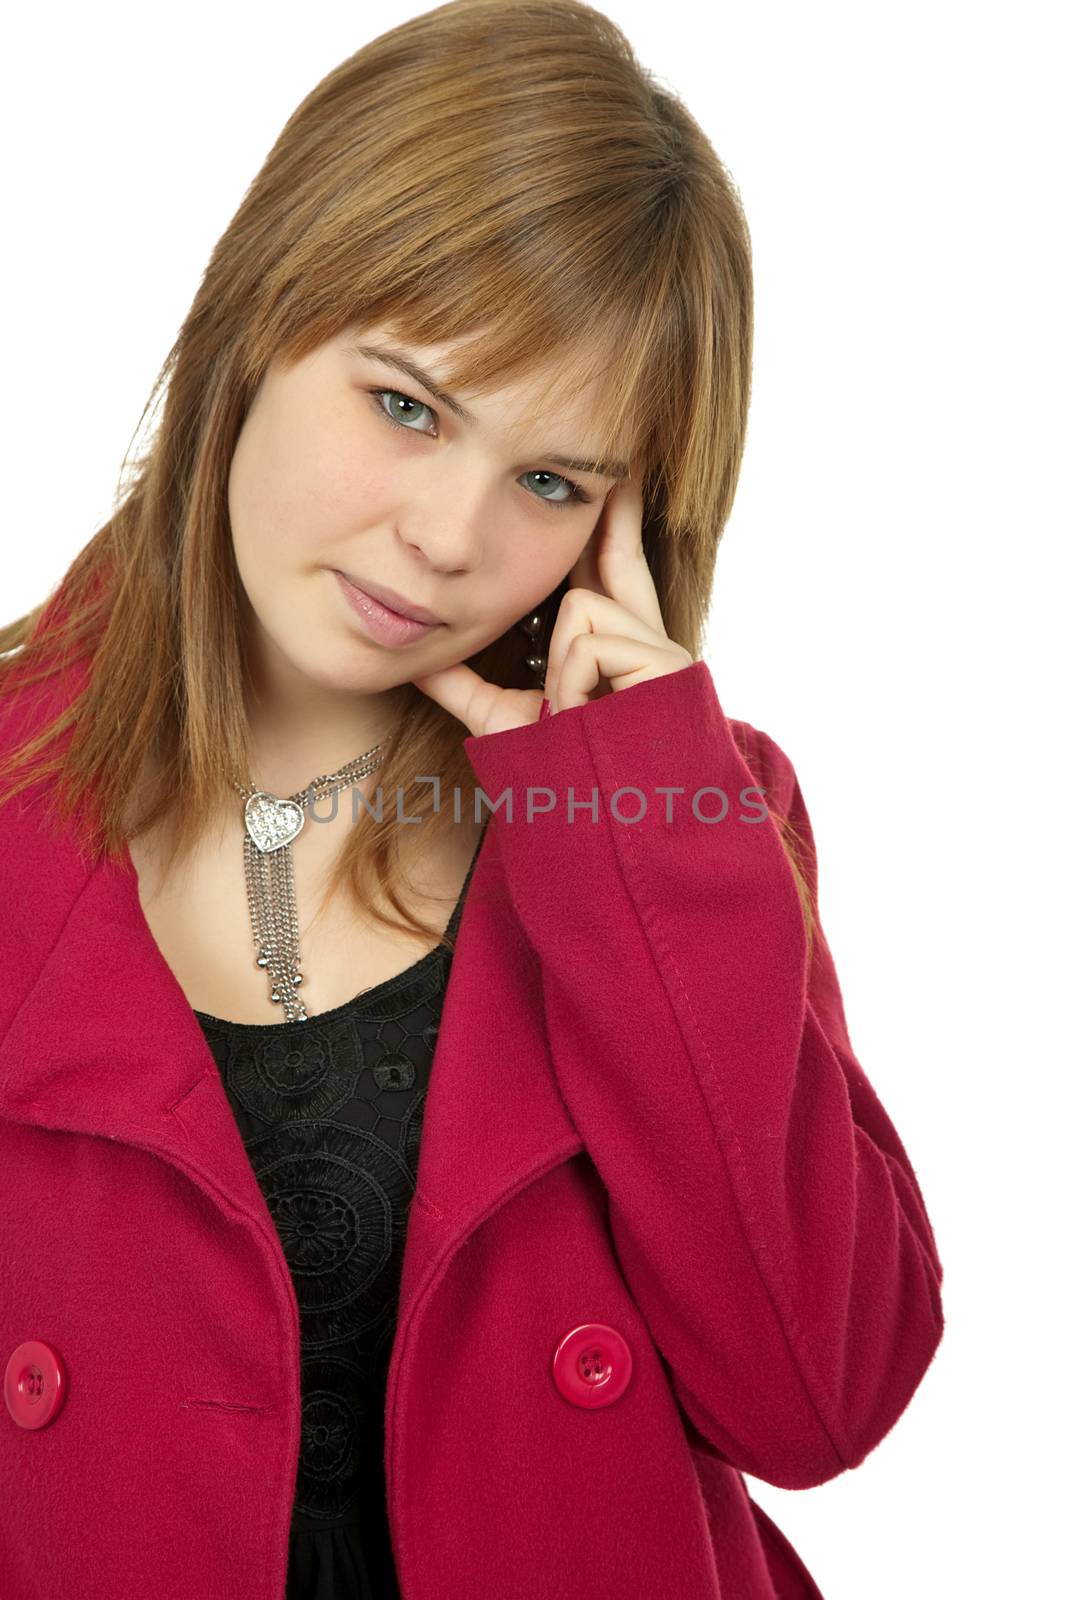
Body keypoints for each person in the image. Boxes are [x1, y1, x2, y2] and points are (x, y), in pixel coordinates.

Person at [0, 2, 945, 1597]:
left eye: (553, 481)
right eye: (408, 405)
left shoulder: (680, 828)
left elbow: (818, 1397)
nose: (449, 536)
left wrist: (630, 805)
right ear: (254, 321)